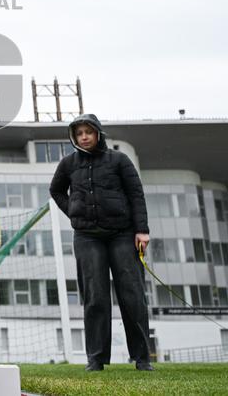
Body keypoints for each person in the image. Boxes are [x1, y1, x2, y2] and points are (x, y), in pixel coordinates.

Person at [49, 114, 153, 372]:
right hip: (87, 237)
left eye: (88, 132)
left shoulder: (119, 160)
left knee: (132, 295)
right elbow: (56, 190)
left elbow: (136, 194)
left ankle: (141, 358)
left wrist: (142, 230)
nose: (84, 137)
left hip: (122, 234)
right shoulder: (68, 164)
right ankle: (96, 359)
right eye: (79, 133)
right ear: (74, 137)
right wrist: (74, 210)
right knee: (94, 297)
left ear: (98, 133)